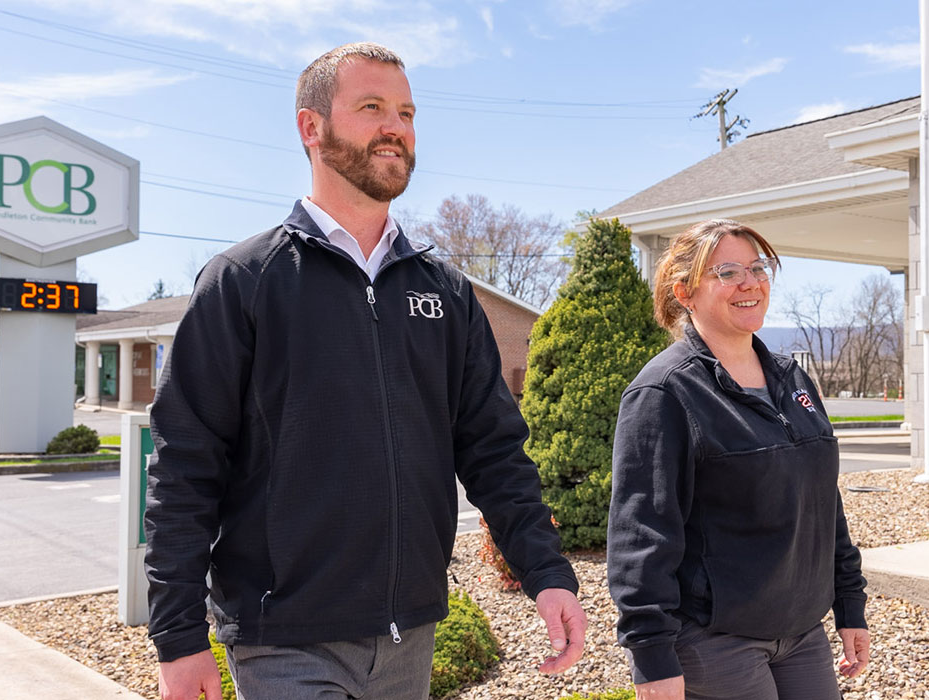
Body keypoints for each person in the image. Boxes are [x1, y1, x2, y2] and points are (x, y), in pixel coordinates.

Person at [144, 42, 585, 700]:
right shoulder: (244, 281)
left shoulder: (445, 290)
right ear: (311, 127)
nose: (396, 127)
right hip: (284, 638)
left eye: (407, 113)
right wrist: (178, 636)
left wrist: (545, 571)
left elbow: (493, 448)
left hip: (410, 633)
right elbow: (185, 464)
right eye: (372, 107)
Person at [606, 219, 870, 700]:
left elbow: (821, 502)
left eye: (758, 268)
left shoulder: (791, 379)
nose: (750, 283)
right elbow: (641, 534)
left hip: (802, 632)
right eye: (727, 273)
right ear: (685, 293)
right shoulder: (665, 392)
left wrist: (850, 603)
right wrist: (651, 656)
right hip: (715, 640)